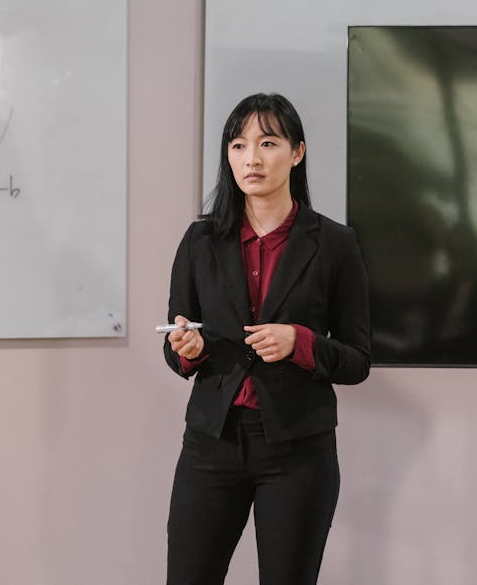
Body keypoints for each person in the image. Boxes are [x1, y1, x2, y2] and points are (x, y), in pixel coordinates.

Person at [163, 93, 371, 585]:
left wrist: (300, 342)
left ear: (297, 152)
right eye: (238, 145)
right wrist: (186, 350)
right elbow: (178, 339)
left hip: (297, 450)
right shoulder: (200, 242)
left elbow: (357, 360)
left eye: (268, 142)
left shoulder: (335, 244)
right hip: (211, 443)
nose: (251, 158)